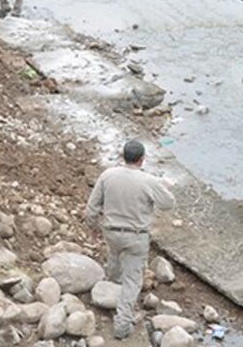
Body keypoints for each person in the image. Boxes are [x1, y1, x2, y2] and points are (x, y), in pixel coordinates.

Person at [86, 140, 176, 339]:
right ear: (142, 160)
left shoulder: (107, 175)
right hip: (135, 237)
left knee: (114, 262)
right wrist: (163, 187)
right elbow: (168, 203)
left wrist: (93, 227)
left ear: (122, 156)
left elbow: (92, 207)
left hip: (111, 232)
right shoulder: (148, 181)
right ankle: (122, 323)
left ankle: (108, 298)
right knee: (132, 280)